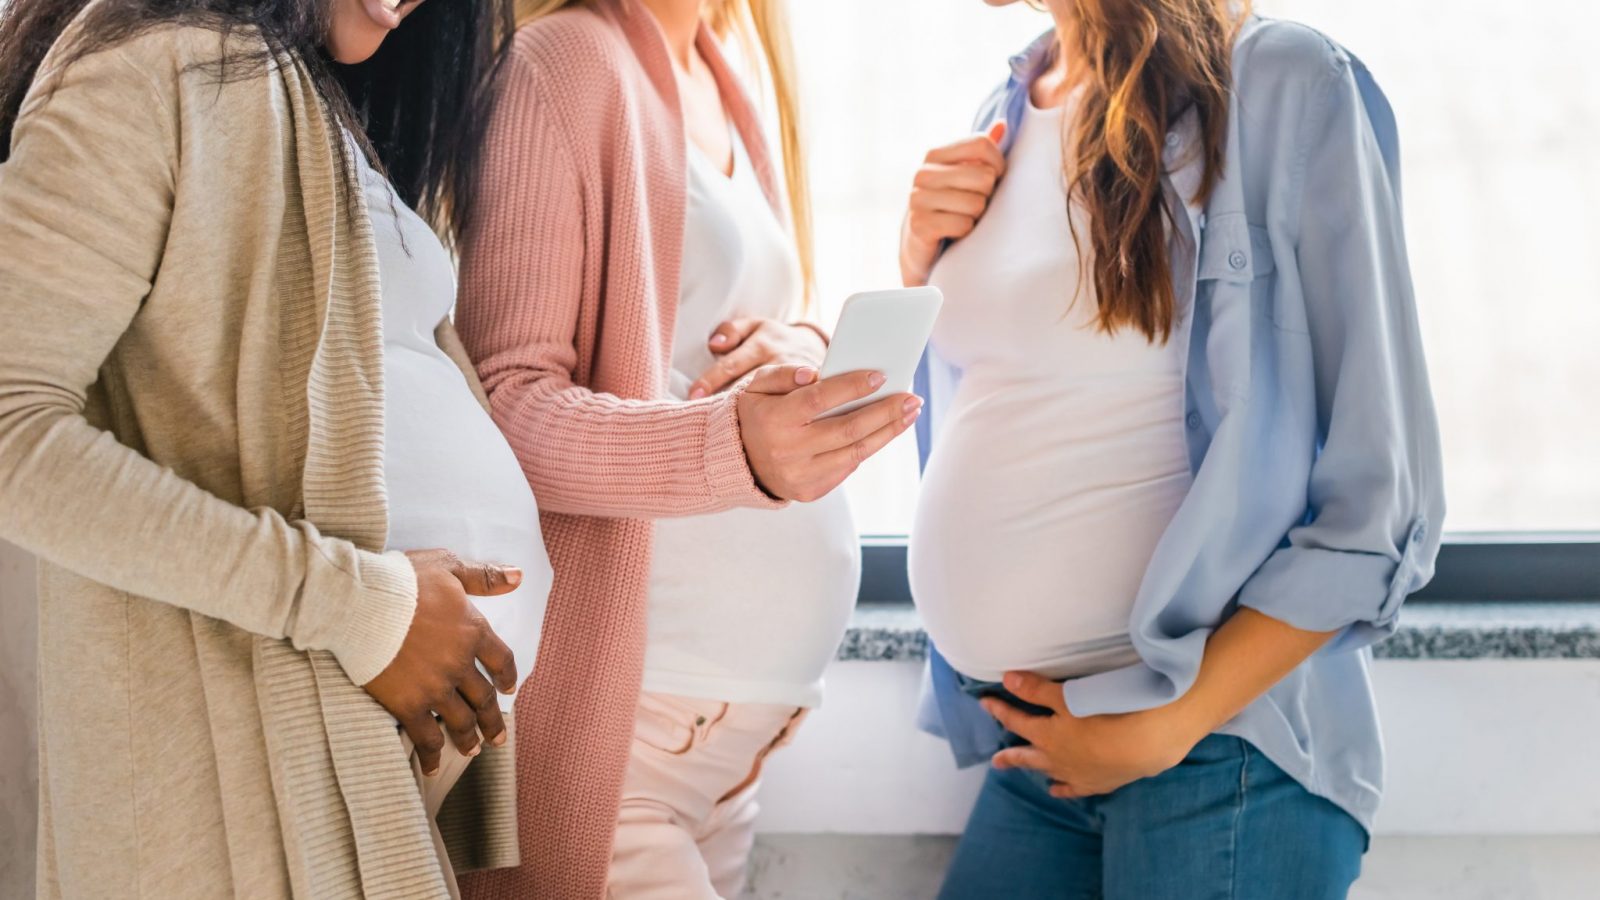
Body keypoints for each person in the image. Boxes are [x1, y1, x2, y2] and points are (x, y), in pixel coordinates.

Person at [0, 0, 544, 896]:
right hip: (234, 790)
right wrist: (359, 608)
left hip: (354, 773)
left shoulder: (315, 101)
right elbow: (12, 430)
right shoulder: (155, 69)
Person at [902, 1, 1445, 897]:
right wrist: (917, 261)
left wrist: (1174, 721)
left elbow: (1381, 498)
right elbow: (1023, 398)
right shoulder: (1006, 103)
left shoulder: (1282, 82)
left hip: (1221, 754)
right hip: (1039, 746)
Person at [452, 1, 916, 896]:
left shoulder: (725, 72)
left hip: (728, 754)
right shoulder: (563, 63)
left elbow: (713, 346)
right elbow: (504, 401)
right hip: (633, 730)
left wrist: (804, 348)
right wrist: (732, 450)